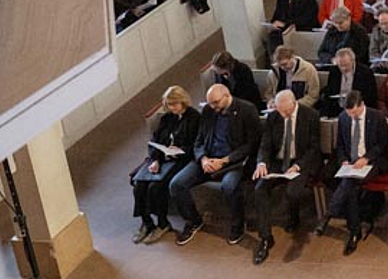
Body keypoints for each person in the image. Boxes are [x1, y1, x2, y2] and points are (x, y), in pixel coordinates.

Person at [170, 83, 261, 246]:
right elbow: (199, 140)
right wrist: (203, 159)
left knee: (229, 186)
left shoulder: (247, 110)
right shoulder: (208, 111)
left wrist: (225, 160)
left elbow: (251, 144)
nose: (213, 107)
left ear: (226, 95)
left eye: (216, 103)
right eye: (210, 103)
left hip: (233, 161)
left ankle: (238, 225)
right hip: (208, 159)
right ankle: (193, 221)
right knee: (176, 184)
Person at [249, 89, 321, 265]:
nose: (283, 115)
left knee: (293, 192)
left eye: (286, 112)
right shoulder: (274, 117)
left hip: (300, 161)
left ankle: (294, 217)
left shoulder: (310, 115)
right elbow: (265, 144)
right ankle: (265, 237)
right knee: (260, 189)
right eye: (280, 111)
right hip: (278, 161)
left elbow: (314, 147)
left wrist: (298, 165)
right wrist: (262, 163)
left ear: (294, 104)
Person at [130, 85, 199, 244]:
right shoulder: (166, 118)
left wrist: (180, 149)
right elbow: (154, 141)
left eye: (174, 104)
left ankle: (162, 223)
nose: (171, 107)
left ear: (183, 102)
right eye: (168, 104)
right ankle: (147, 223)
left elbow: (196, 144)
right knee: (139, 184)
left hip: (180, 159)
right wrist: (156, 159)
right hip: (161, 158)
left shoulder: (194, 117)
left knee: (156, 186)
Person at [326, 90, 388, 255]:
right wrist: (343, 160)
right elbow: (340, 145)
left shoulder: (377, 117)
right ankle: (353, 230)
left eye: (354, 113)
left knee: (349, 182)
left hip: (372, 161)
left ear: (362, 105)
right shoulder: (343, 118)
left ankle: (333, 213)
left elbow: (382, 144)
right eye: (349, 113)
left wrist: (366, 158)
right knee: (350, 186)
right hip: (351, 162)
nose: (352, 117)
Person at [319, 48, 378, 118]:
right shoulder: (334, 71)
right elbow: (330, 92)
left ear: (353, 61)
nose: (343, 69)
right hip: (337, 108)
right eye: (341, 65)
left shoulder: (365, 73)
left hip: (357, 109)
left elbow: (371, 96)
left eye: (346, 65)